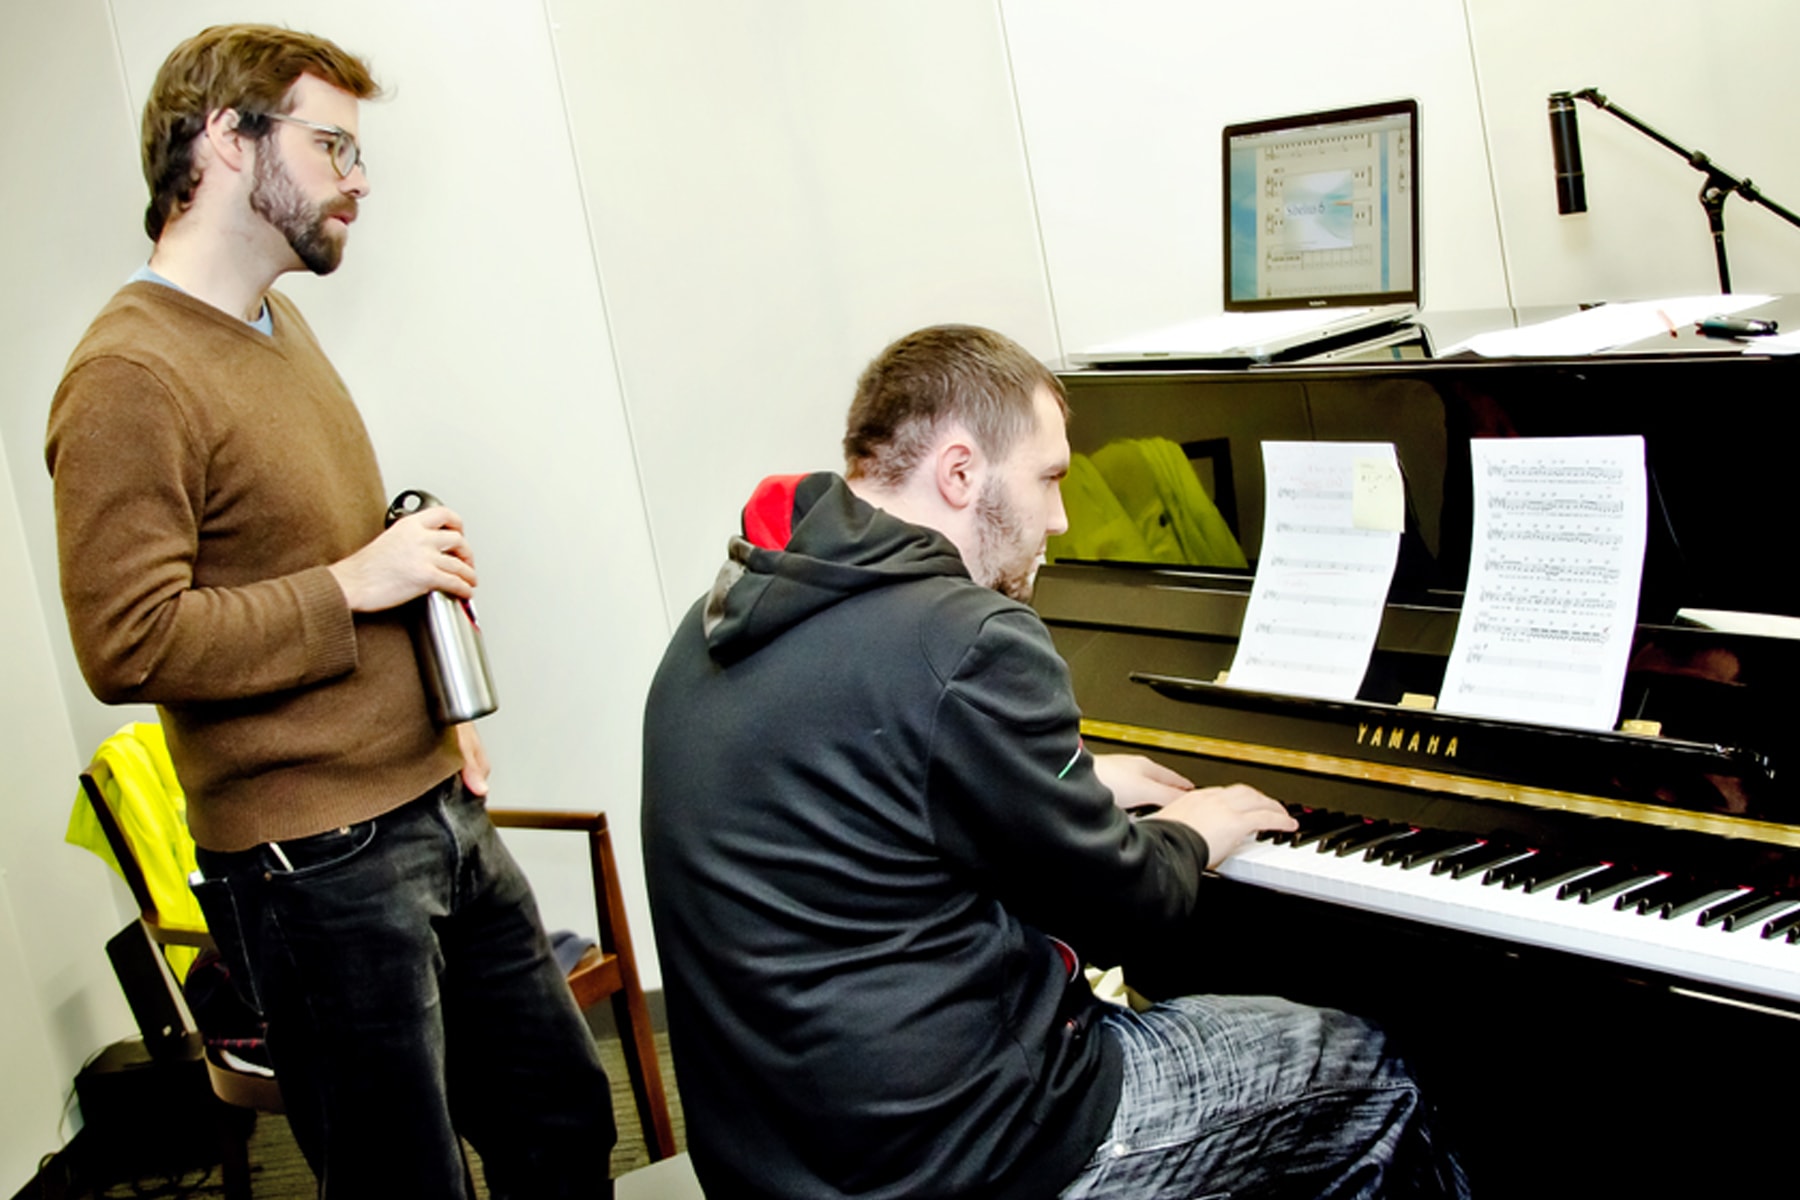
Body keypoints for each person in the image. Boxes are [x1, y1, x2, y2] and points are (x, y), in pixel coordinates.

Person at [642, 324, 1467, 1198]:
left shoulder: (718, 621)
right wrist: (1191, 831)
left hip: (781, 1158)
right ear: (961, 473)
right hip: (969, 1153)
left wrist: (1063, 779)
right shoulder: (969, 635)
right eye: (1050, 479)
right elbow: (1129, 908)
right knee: (1367, 1067)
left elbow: (869, 787)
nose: (1063, 518)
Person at [45, 25, 614, 1197]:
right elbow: (128, 639)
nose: (360, 179)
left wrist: (439, 709)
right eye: (332, 145)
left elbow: (323, 555)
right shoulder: (127, 377)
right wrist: (357, 585)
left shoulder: (277, 326)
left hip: (433, 808)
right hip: (313, 863)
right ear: (226, 140)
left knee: (561, 1123)